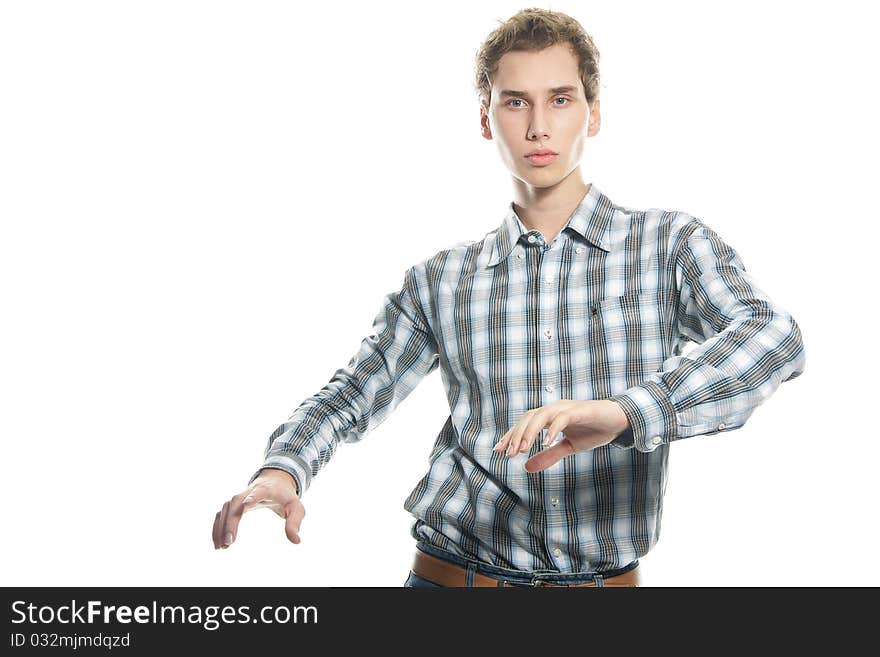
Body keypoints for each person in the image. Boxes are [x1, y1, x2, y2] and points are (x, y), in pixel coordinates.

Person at [212, 8, 806, 587]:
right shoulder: (442, 279)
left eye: (561, 99)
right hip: (451, 583)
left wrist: (629, 411)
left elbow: (774, 341)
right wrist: (282, 469)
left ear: (593, 114)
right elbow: (354, 393)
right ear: (486, 118)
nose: (538, 127)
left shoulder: (669, 244)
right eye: (515, 101)